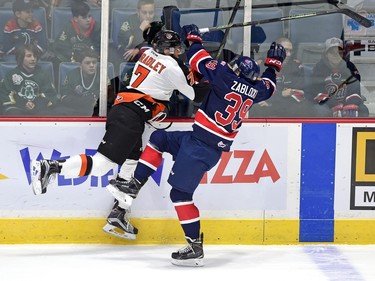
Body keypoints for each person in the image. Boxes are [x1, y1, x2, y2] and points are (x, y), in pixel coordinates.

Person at [106, 24, 286, 266]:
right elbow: (269, 86)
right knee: (159, 139)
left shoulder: (224, 77)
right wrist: (274, 65)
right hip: (200, 141)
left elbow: (198, 58)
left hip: (201, 148)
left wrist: (193, 38)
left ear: (235, 71)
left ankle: (194, 246)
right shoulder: (254, 90)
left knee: (180, 193)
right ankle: (133, 185)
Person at [30, 29, 210, 240]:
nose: (179, 52)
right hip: (130, 116)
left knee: (133, 163)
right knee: (101, 165)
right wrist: (208, 77)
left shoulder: (147, 53)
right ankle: (50, 167)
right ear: (168, 49)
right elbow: (195, 95)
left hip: (128, 112)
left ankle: (119, 213)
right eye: (176, 48)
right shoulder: (172, 68)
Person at [249, 37, 313, 117]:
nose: (289, 54)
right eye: (285, 50)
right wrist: (282, 94)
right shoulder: (260, 66)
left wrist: (271, 102)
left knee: (304, 107)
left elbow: (297, 94)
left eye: (290, 51)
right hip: (265, 110)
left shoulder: (296, 66)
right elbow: (256, 93)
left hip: (287, 107)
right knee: (255, 108)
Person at [307, 37, 369, 117]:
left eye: (339, 52)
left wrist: (348, 106)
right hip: (327, 104)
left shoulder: (350, 66)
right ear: (326, 54)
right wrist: (335, 105)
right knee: (321, 111)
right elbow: (316, 90)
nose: (336, 55)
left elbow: (355, 89)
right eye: (332, 52)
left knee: (363, 110)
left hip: (347, 102)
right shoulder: (318, 68)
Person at [0, 43, 58, 115]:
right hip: (18, 108)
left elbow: (50, 94)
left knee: (47, 115)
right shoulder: (11, 75)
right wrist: (24, 103)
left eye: (35, 56)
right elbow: (5, 94)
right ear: (21, 58)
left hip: (39, 109)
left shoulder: (43, 75)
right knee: (12, 114)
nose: (33, 59)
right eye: (29, 56)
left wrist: (35, 103)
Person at [55, 47, 113, 116]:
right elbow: (64, 95)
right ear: (80, 65)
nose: (91, 65)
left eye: (94, 62)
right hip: (75, 109)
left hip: (95, 109)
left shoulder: (102, 75)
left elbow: (108, 94)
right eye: (87, 63)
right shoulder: (72, 74)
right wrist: (83, 101)